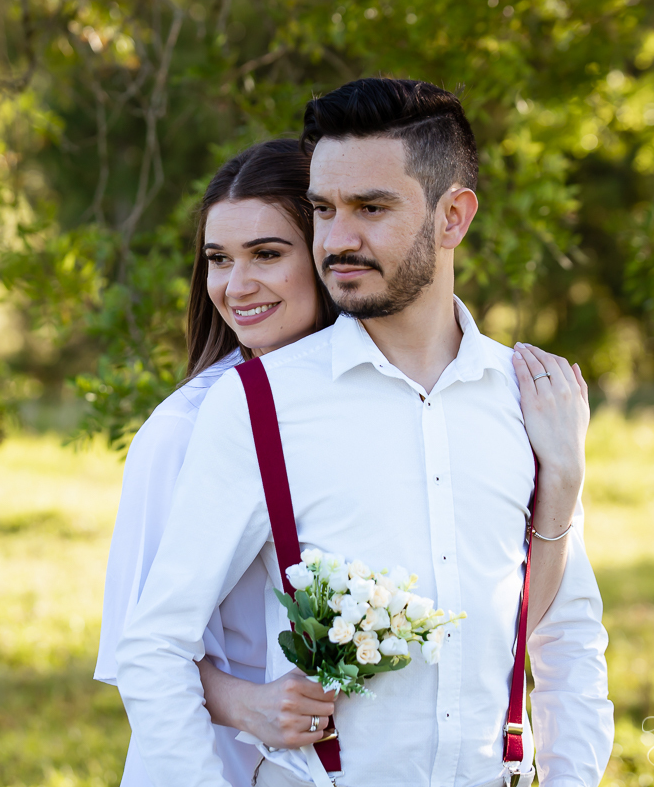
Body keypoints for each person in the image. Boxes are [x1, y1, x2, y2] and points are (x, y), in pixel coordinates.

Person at [115, 78, 612, 787]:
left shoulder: (528, 397)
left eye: (371, 209)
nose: (338, 240)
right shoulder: (257, 405)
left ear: (453, 218)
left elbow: (566, 635)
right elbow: (155, 646)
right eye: (323, 210)